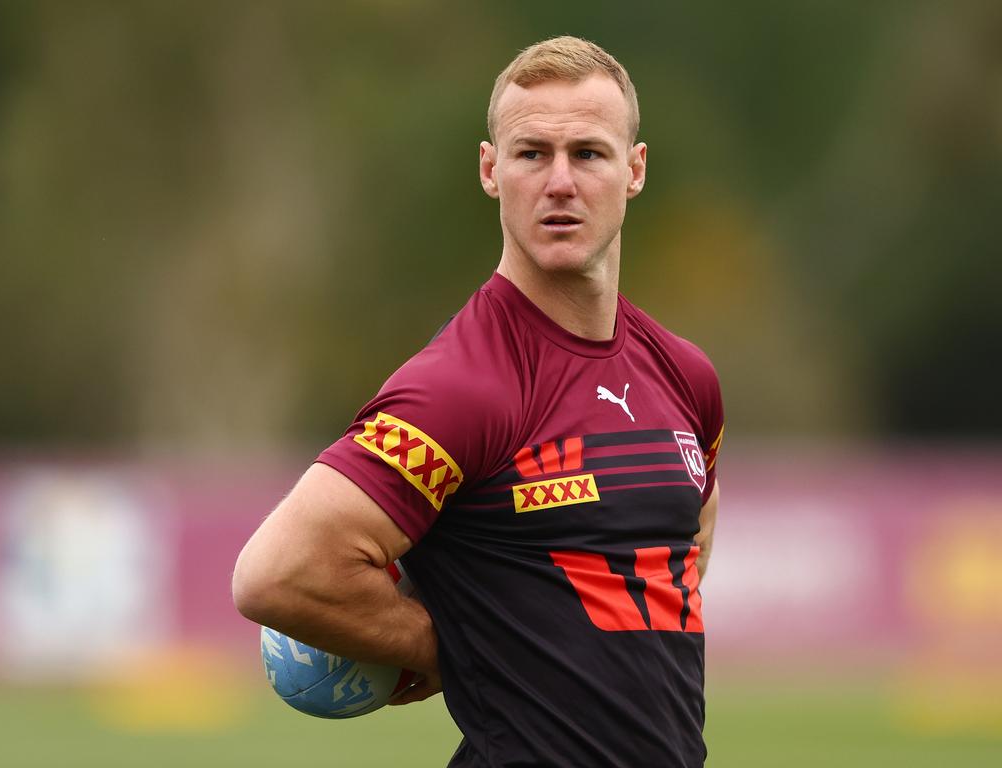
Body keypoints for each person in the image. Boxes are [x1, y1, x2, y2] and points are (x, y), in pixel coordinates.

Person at [233, 36, 724, 767]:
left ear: (635, 170)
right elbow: (277, 573)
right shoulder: (462, 386)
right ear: (492, 171)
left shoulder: (686, 376)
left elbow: (687, 544)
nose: (560, 181)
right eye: (532, 155)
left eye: (588, 153)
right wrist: (454, 648)